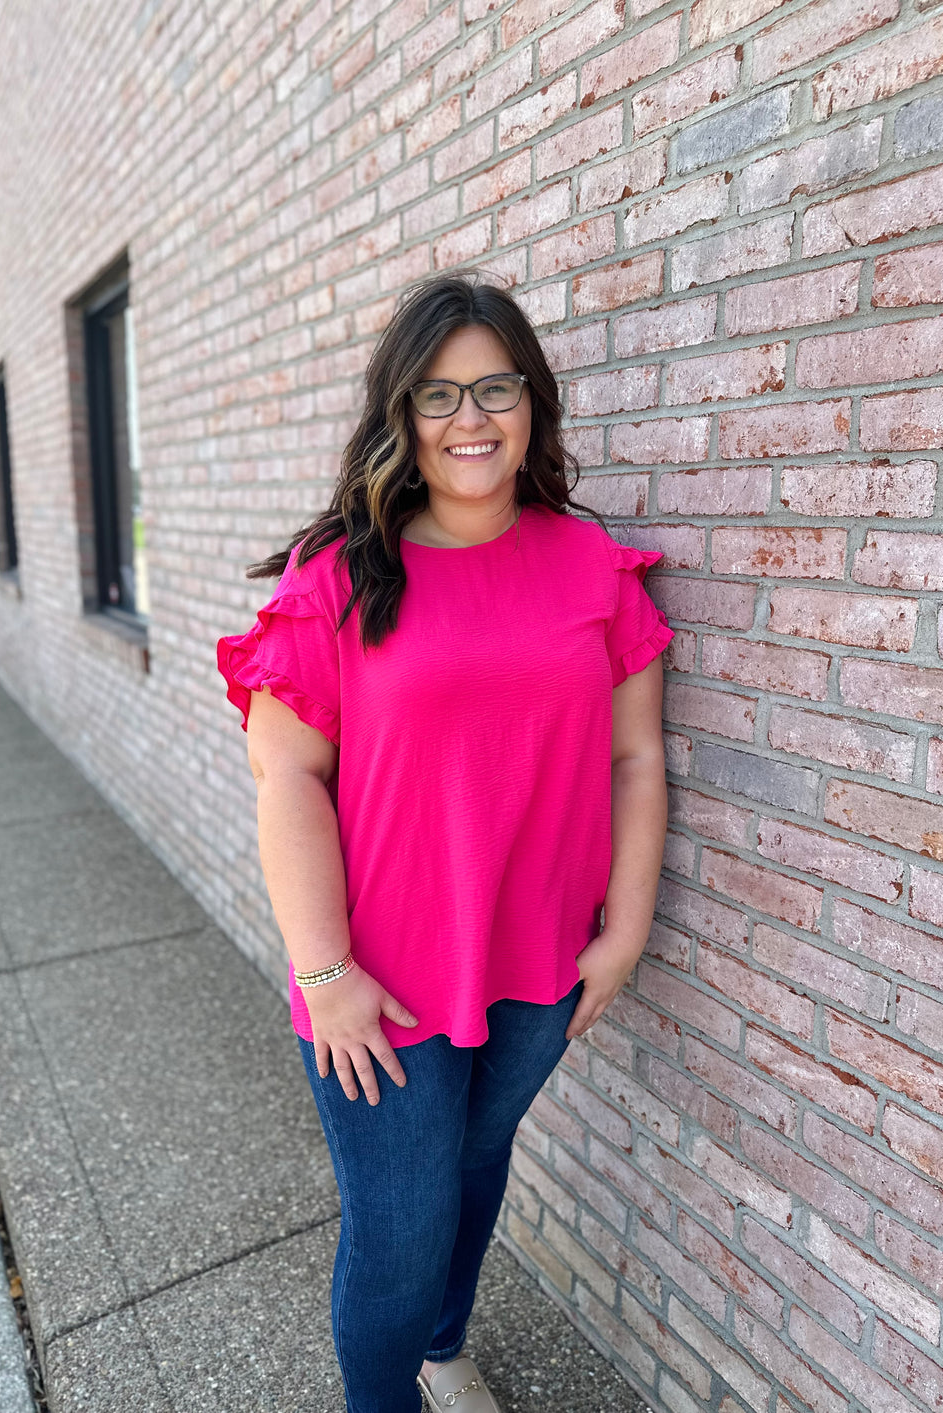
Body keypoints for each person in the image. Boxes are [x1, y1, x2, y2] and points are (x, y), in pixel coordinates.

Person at [216, 270, 672, 1413]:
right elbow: (287, 779)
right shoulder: (340, 580)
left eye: (496, 388)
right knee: (398, 1229)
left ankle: (444, 1345)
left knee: (476, 1164)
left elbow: (636, 760)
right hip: (382, 983)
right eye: (437, 395)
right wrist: (325, 973)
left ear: (534, 404)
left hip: (542, 963)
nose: (471, 419)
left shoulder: (590, 566)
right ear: (399, 415)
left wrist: (626, 928)